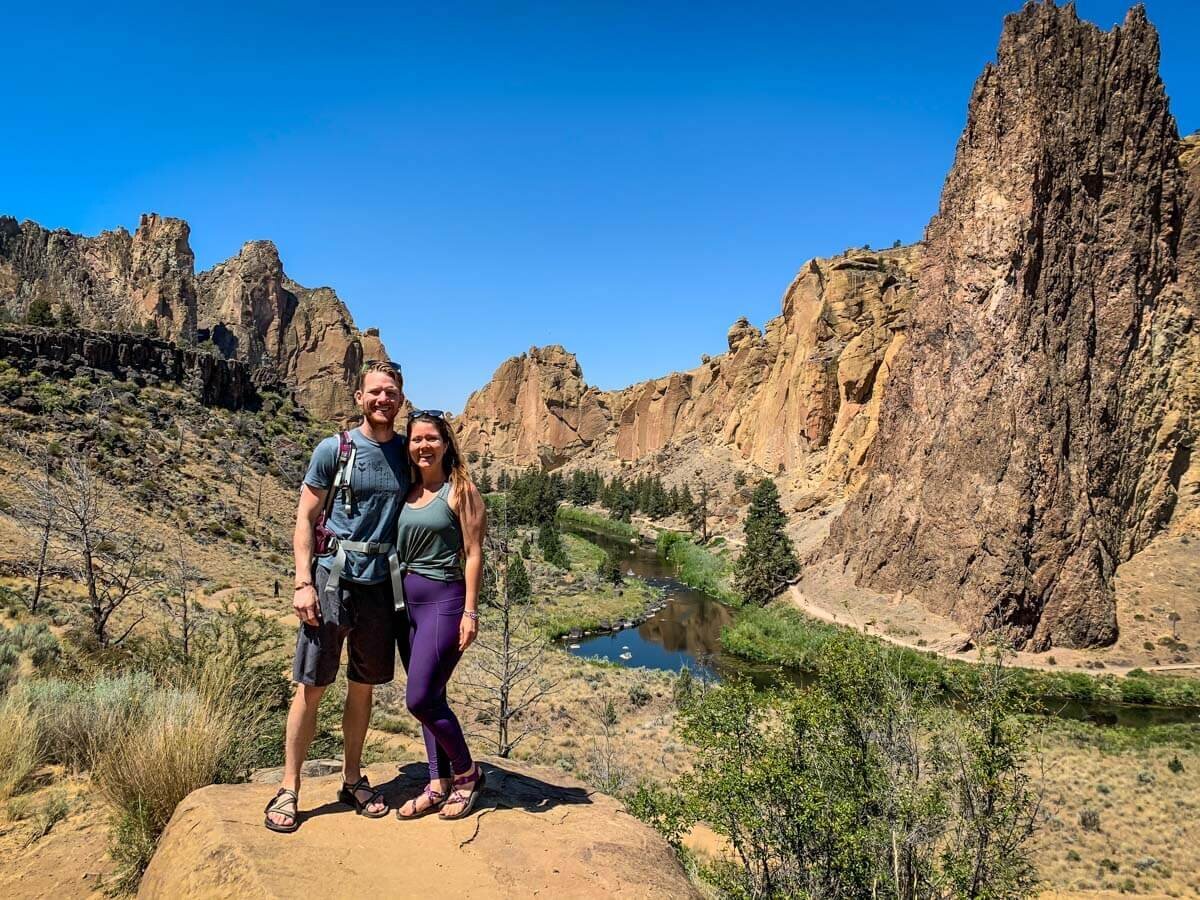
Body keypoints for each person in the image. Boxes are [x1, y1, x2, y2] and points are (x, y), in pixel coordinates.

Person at [264, 362, 408, 833]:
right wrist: (302, 581)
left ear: (400, 398)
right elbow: (305, 517)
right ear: (359, 397)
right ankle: (289, 786)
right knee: (312, 684)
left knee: (363, 687)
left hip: (381, 588)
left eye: (391, 392)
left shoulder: (409, 453)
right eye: (375, 392)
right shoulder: (336, 448)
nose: (382, 399)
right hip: (331, 582)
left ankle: (351, 778)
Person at [393, 410, 487, 820]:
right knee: (432, 696)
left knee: (419, 698)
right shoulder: (409, 490)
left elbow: (474, 553)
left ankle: (466, 773)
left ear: (446, 443)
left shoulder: (460, 490)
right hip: (405, 606)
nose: (423, 446)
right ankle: (437, 782)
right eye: (416, 440)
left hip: (445, 604)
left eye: (431, 438)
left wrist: (470, 611)